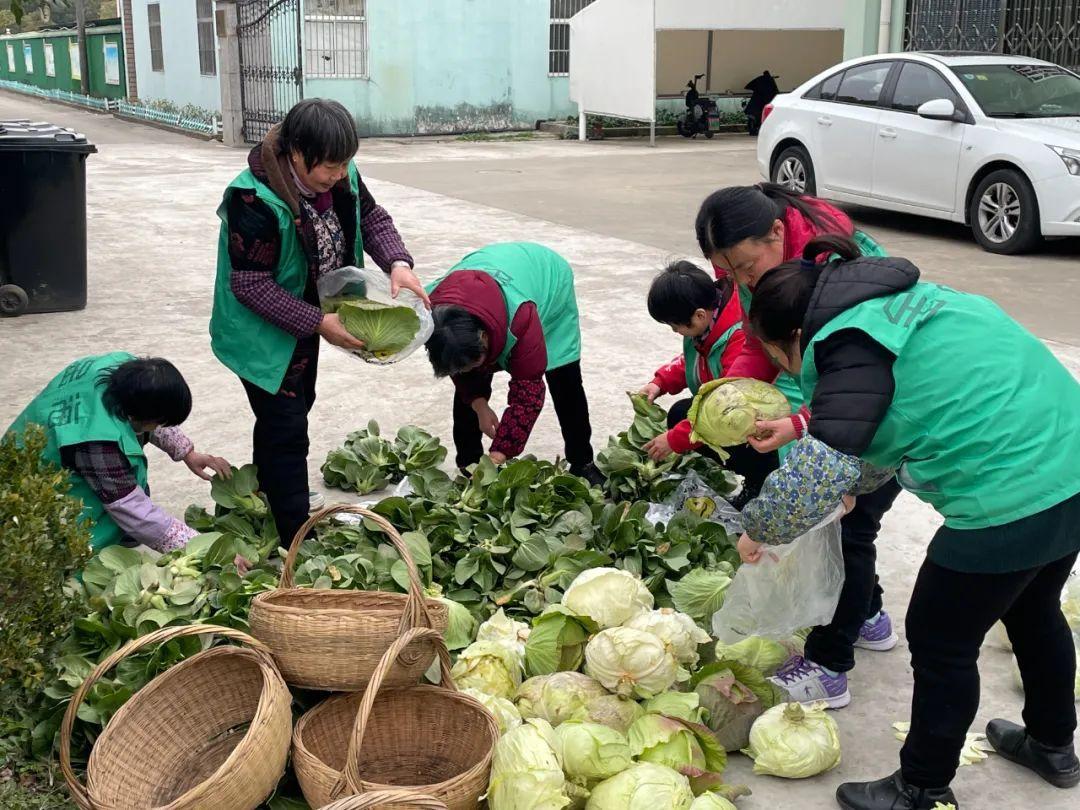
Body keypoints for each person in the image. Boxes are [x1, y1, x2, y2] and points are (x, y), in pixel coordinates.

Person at [737, 234, 1080, 809]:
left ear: (795, 336)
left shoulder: (845, 344)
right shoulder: (904, 303)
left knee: (941, 641)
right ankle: (1052, 745)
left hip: (1007, 495)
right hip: (1070, 465)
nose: (787, 367)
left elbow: (815, 470)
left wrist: (761, 527)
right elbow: (898, 415)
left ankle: (920, 787)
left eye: (778, 356)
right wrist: (850, 485)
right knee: (1034, 607)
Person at [696, 183, 899, 708]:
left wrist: (761, 528)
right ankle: (867, 613)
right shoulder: (759, 270)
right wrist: (736, 394)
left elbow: (863, 388)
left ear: (779, 233)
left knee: (847, 525)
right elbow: (759, 340)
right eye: (730, 273)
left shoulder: (844, 270)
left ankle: (830, 666)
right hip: (844, 406)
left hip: (878, 415)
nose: (742, 281)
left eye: (744, 266)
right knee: (846, 522)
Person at [210, 98, 427, 546]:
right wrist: (318, 322)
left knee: (286, 414)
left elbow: (371, 215)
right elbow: (250, 286)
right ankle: (294, 537)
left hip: (307, 319)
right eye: (329, 166)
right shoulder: (253, 201)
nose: (340, 174)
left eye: (345, 163)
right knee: (287, 425)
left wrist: (398, 262)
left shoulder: (341, 175)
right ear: (295, 154)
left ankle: (268, 495)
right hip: (261, 331)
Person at [5, 353, 230, 554]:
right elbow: (131, 508)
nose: (160, 426)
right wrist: (205, 550)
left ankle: (125, 532)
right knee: (75, 538)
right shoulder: (96, 443)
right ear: (135, 416)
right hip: (40, 472)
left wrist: (187, 452)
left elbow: (153, 414)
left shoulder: (125, 370)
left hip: (53, 435)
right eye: (158, 422)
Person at [425, 241, 601, 484]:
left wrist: (498, 456)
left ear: (484, 337)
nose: (470, 370)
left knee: (564, 378)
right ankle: (468, 462)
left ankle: (582, 462)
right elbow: (461, 369)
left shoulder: (522, 318)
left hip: (547, 279)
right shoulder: (430, 312)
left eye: (477, 360)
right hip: (485, 286)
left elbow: (527, 397)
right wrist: (479, 405)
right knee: (468, 376)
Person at [637, 260, 778, 503]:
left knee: (737, 440)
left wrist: (673, 440)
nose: (674, 331)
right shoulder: (706, 326)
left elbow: (725, 406)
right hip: (724, 409)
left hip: (754, 419)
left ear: (699, 315)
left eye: (674, 325)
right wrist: (660, 382)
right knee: (681, 413)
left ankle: (759, 485)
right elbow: (692, 361)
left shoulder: (737, 337)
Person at [743, 70, 780, 135]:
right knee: (757, 118)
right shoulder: (770, 83)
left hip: (755, 106)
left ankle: (754, 130)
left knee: (754, 118)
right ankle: (755, 130)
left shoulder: (760, 83)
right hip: (760, 106)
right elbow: (775, 93)